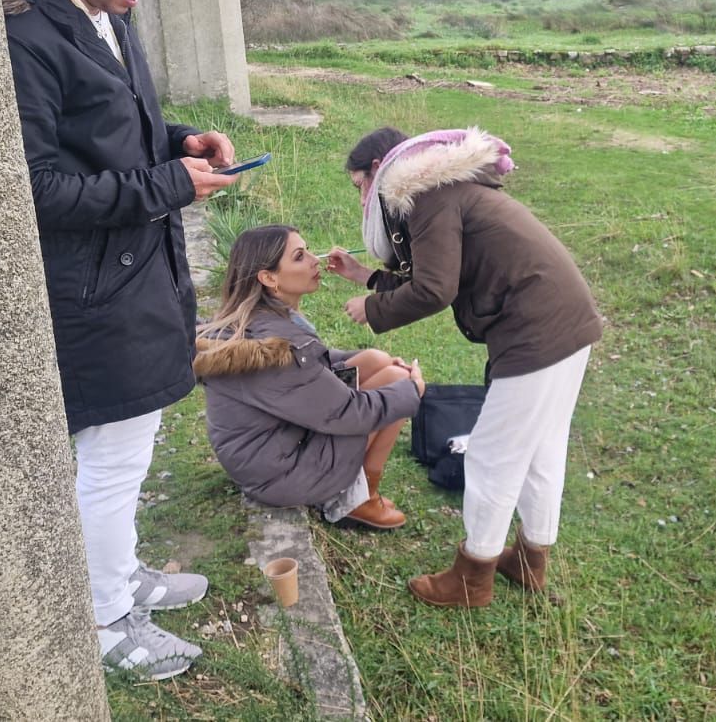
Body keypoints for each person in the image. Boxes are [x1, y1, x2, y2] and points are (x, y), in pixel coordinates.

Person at [0, 0, 239, 679]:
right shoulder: (25, 32)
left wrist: (180, 145)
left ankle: (117, 574)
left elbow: (107, 135)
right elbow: (37, 189)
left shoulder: (100, 4)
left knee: (121, 448)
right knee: (111, 456)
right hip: (91, 284)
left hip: (132, 266)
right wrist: (169, 184)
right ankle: (100, 620)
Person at [326, 127, 603, 608]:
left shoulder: (429, 197)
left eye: (359, 188)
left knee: (491, 458)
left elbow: (435, 289)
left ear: (378, 171)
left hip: (536, 331)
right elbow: (442, 270)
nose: (363, 200)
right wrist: (365, 275)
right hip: (566, 322)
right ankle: (529, 560)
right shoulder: (447, 189)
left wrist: (371, 309)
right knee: (541, 451)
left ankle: (472, 579)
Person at [193, 225, 424, 527]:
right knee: (396, 381)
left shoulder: (263, 320)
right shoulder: (275, 349)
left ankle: (361, 489)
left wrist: (375, 367)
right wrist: (412, 390)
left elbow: (312, 363)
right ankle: (357, 499)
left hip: (272, 452)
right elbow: (347, 413)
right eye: (300, 256)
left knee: (376, 360)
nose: (315, 260)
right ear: (268, 278)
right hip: (281, 476)